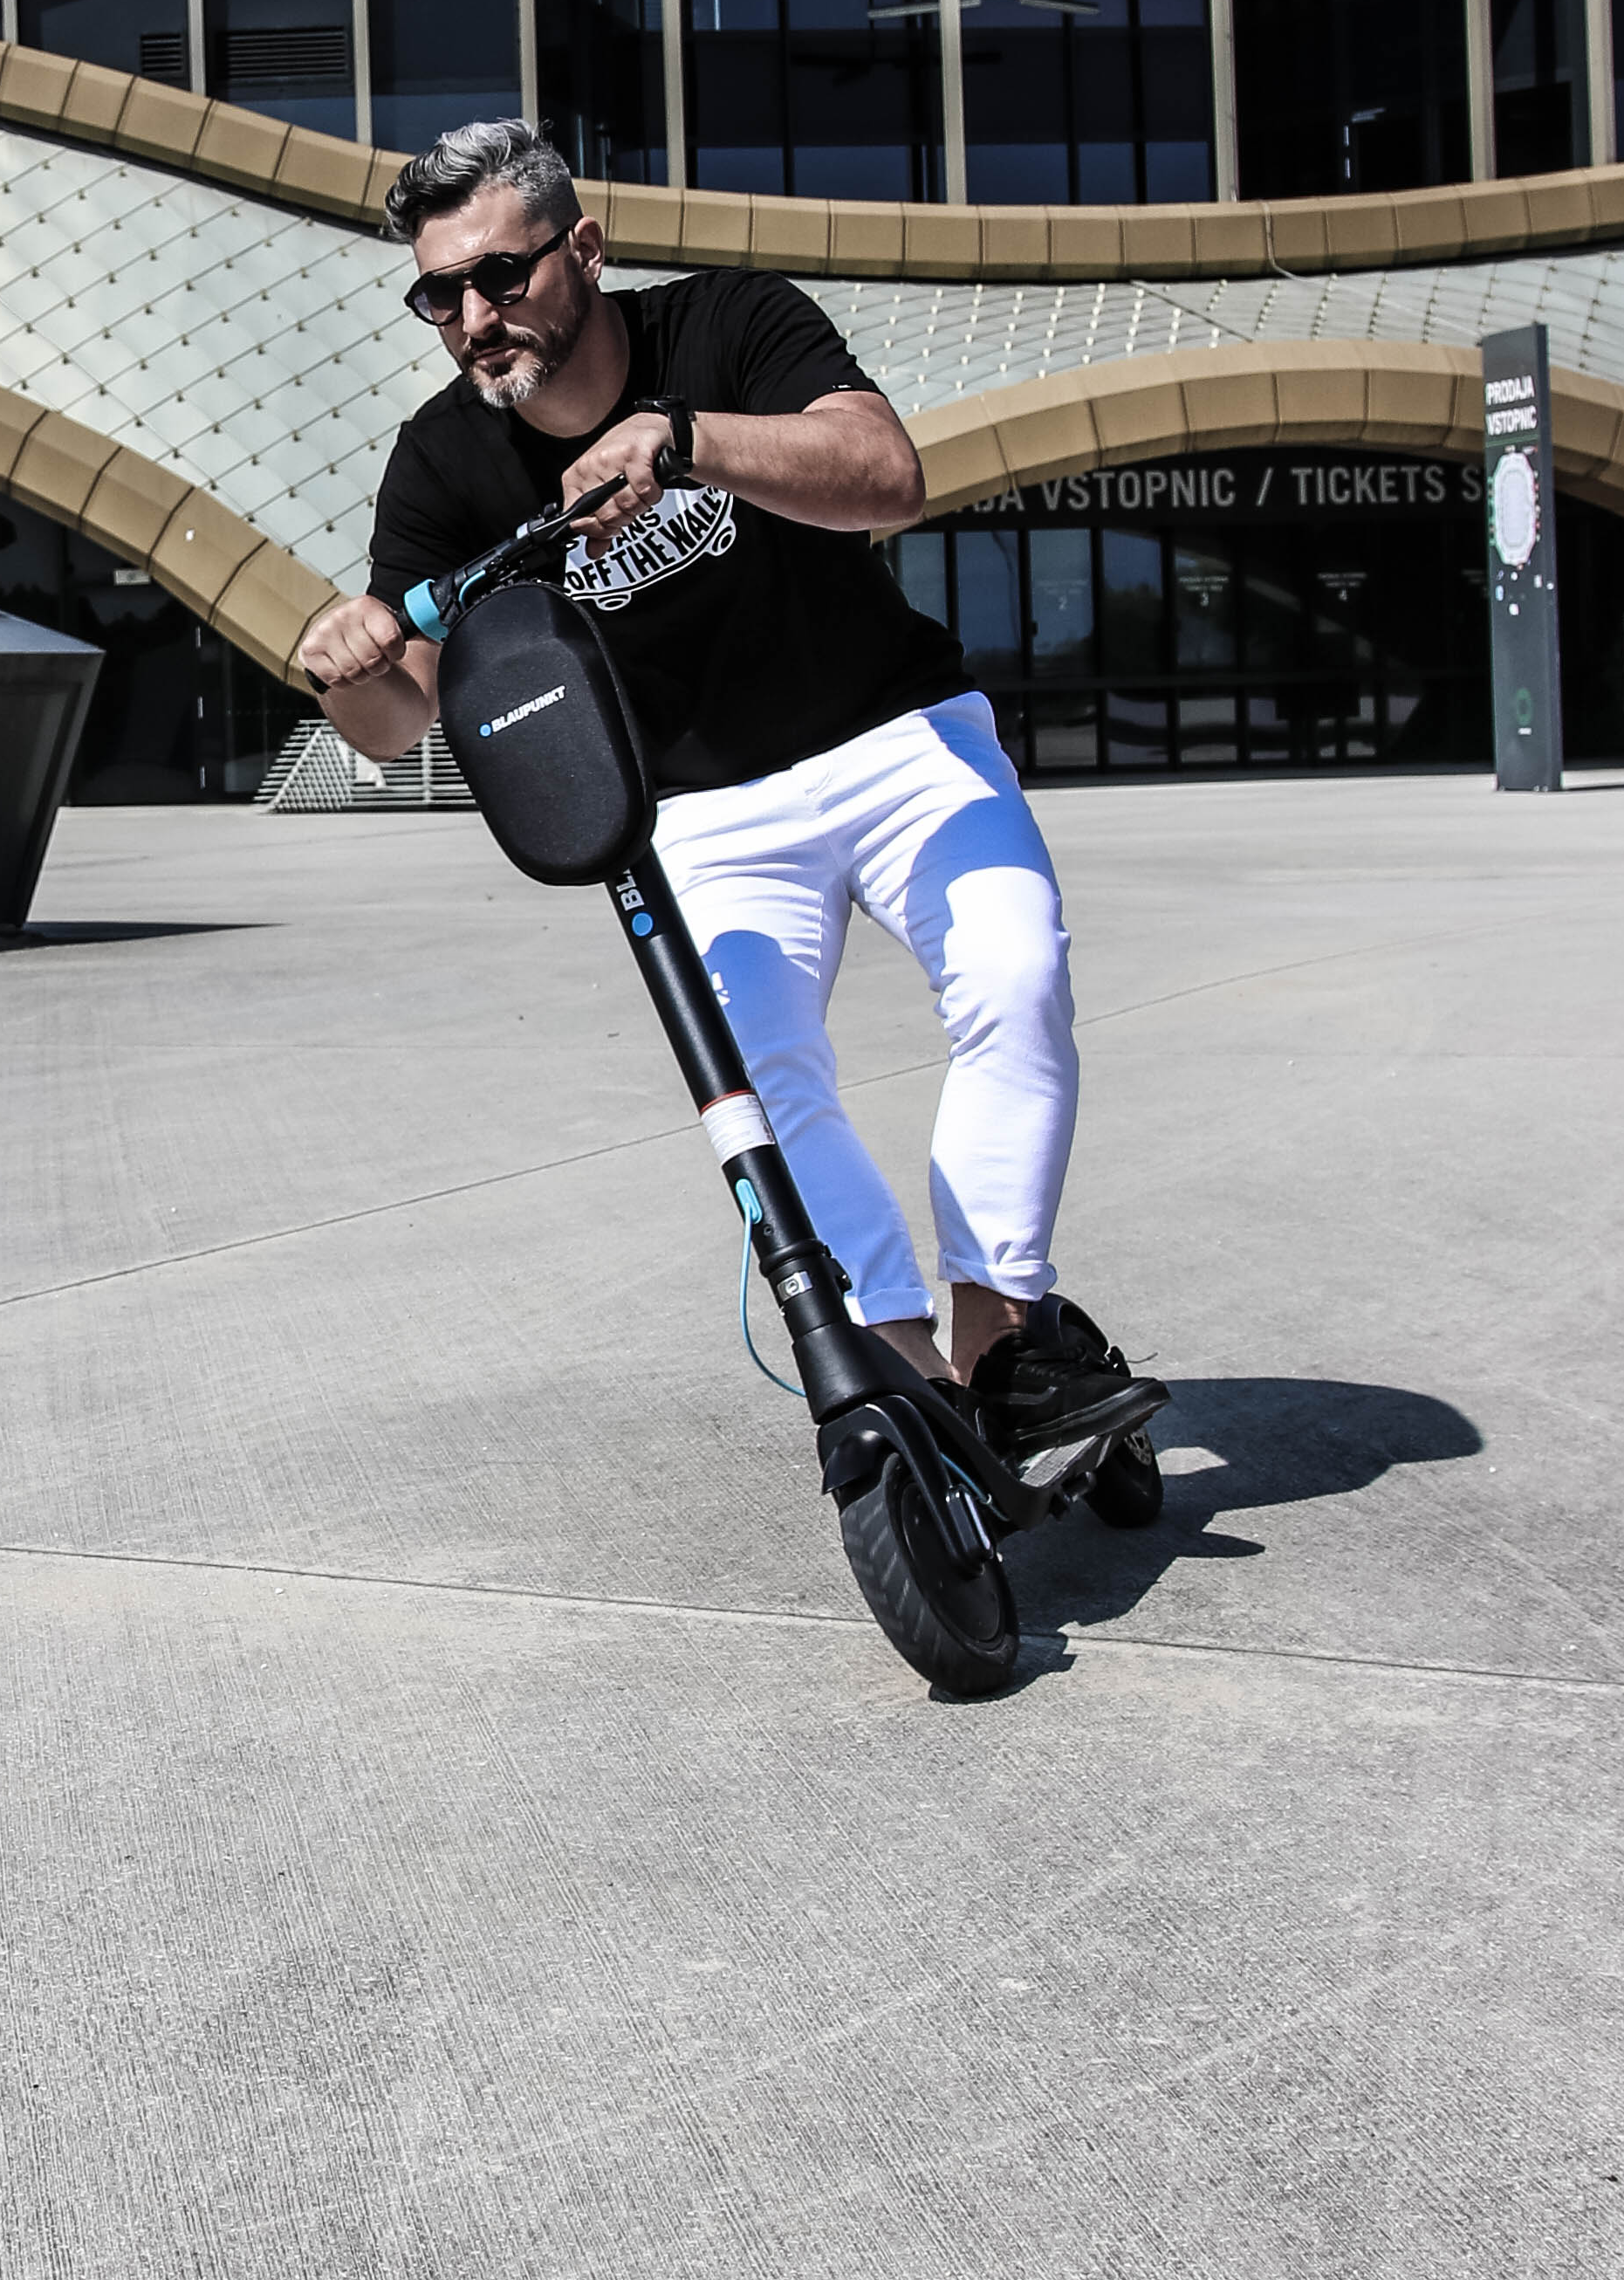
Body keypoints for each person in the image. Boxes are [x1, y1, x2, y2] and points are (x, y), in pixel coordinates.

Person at [294, 117, 1155, 1507]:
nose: (475, 318)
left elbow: (888, 477)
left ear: (584, 249)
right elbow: (402, 720)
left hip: (892, 733)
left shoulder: (731, 324)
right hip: (697, 807)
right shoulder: (444, 462)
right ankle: (914, 1379)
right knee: (756, 1078)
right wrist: (349, 667)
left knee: (1014, 971)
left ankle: (1003, 1336)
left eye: (501, 276)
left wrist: (685, 441)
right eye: (439, 295)